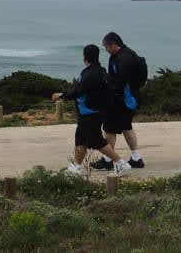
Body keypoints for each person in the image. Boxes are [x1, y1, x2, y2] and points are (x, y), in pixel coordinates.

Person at [51, 45, 131, 177]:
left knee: (96, 141)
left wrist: (61, 95)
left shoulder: (89, 74)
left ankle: (120, 163)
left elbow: (78, 91)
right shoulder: (101, 71)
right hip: (95, 111)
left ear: (85, 57)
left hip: (89, 113)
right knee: (80, 140)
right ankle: (75, 167)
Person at [92, 32, 146, 170]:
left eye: (106, 46)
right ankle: (136, 158)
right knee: (127, 127)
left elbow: (120, 82)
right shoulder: (128, 54)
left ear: (113, 44)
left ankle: (108, 159)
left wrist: (107, 89)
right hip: (131, 99)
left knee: (109, 129)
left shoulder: (122, 59)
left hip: (122, 100)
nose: (106, 49)